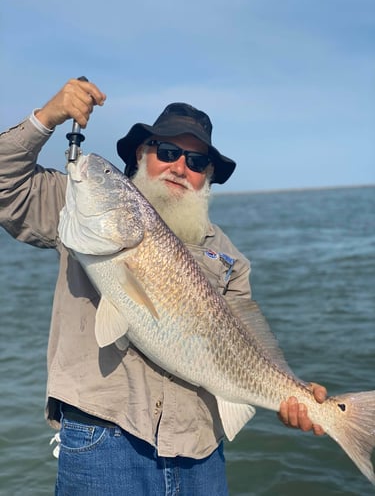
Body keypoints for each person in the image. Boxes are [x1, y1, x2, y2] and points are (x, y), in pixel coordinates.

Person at [0, 79, 327, 496]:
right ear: (142, 154)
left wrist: (292, 393)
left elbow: (253, 346)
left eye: (195, 161)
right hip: (105, 443)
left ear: (207, 175)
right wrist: (46, 118)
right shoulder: (79, 205)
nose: (179, 167)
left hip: (201, 454)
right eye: (168, 152)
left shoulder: (228, 257)